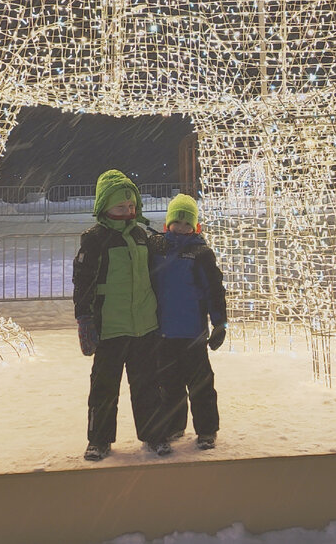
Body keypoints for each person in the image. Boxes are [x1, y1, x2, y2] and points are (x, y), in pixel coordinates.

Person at [72, 169, 171, 461]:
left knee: (148, 385)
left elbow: (155, 278)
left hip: (144, 326)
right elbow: (83, 282)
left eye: (131, 207)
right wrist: (85, 319)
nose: (127, 212)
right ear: (104, 207)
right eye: (120, 207)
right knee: (104, 388)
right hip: (110, 327)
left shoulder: (143, 236)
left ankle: (155, 435)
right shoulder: (95, 240)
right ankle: (99, 440)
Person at [150, 193, 227, 450]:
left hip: (193, 333)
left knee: (201, 386)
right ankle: (174, 425)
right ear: (167, 224)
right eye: (177, 222)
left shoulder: (201, 253)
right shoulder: (158, 250)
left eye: (187, 223)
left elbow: (214, 290)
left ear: (195, 226)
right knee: (169, 386)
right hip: (164, 334)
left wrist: (219, 323)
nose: (181, 228)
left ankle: (207, 429)